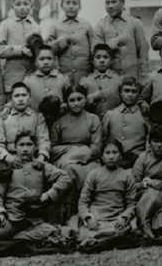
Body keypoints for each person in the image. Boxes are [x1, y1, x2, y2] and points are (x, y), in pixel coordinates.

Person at [0, 131, 72, 242]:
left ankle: (16, 238)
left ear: (35, 148)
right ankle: (17, 237)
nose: (25, 149)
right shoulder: (6, 168)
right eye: (21, 145)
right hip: (11, 219)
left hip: (33, 222)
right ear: (15, 147)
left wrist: (51, 194)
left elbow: (65, 178)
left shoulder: (41, 166)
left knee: (51, 231)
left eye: (29, 145)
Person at [49, 85, 102, 224]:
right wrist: (73, 150)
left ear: (85, 99)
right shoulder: (60, 121)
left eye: (80, 99)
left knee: (94, 173)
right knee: (68, 171)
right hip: (65, 160)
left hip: (89, 160)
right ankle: (68, 216)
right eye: (72, 100)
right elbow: (52, 148)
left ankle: (90, 213)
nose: (76, 103)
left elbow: (96, 148)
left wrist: (81, 153)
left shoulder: (93, 119)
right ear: (66, 102)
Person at [75, 139, 133, 246]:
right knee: (87, 232)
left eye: (115, 153)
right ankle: (99, 238)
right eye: (107, 153)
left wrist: (124, 217)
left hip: (116, 217)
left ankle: (102, 239)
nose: (111, 156)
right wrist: (88, 218)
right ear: (102, 156)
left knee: (120, 232)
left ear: (121, 156)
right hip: (97, 217)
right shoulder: (94, 174)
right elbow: (83, 201)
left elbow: (132, 203)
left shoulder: (127, 176)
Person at [130, 128, 162, 238]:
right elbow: (134, 183)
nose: (159, 145)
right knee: (152, 195)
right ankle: (145, 225)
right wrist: (149, 183)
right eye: (155, 141)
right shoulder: (143, 158)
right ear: (150, 143)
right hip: (147, 192)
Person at [92, 0, 150, 81]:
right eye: (107, 2)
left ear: (123, 2)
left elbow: (143, 53)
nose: (110, 6)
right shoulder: (100, 26)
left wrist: (145, 78)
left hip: (133, 80)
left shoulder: (135, 23)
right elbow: (97, 55)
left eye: (114, 2)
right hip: (110, 81)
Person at [0, 0, 41, 96]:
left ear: (31, 5)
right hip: (12, 83)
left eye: (26, 4)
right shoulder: (5, 25)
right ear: (12, 6)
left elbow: (41, 54)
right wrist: (20, 50)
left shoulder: (36, 27)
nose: (22, 7)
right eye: (18, 4)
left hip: (32, 83)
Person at [0, 83, 51, 164]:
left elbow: (43, 141)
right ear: (11, 99)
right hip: (10, 159)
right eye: (16, 96)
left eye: (24, 95)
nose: (20, 99)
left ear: (30, 97)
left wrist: (41, 157)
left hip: (34, 159)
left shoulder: (38, 117)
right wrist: (9, 158)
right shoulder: (3, 118)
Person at [45, 0, 93, 81]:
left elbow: (93, 50)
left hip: (84, 76)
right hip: (63, 77)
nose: (71, 6)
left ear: (80, 7)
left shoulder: (86, 25)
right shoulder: (55, 25)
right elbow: (48, 50)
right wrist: (60, 43)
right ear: (62, 6)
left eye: (74, 3)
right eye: (68, 3)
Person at [100, 78, 149, 159]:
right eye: (126, 91)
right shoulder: (111, 114)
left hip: (137, 160)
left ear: (139, 94)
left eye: (134, 91)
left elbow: (149, 142)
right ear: (120, 93)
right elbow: (103, 139)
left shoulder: (144, 116)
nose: (130, 95)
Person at [81, 44, 123, 117]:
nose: (102, 60)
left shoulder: (118, 80)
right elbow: (79, 103)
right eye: (98, 57)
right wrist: (93, 97)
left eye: (106, 57)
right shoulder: (85, 81)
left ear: (111, 61)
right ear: (92, 61)